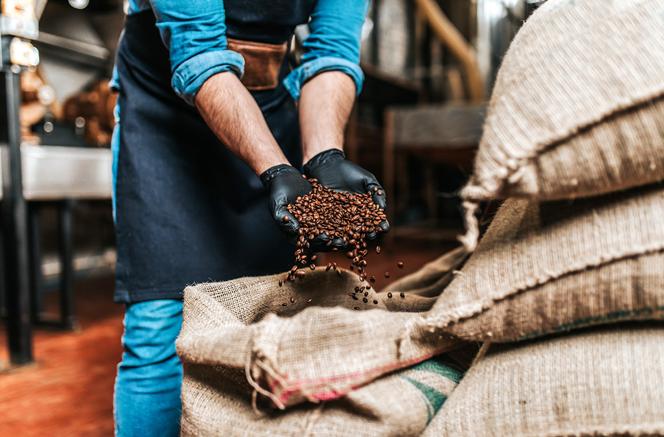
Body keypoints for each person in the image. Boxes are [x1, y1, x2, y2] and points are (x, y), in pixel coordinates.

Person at [110, 0, 389, 435]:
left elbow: (331, 52)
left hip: (267, 107)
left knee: (273, 312)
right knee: (158, 328)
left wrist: (324, 156)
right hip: (164, 113)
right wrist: (276, 169)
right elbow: (198, 54)